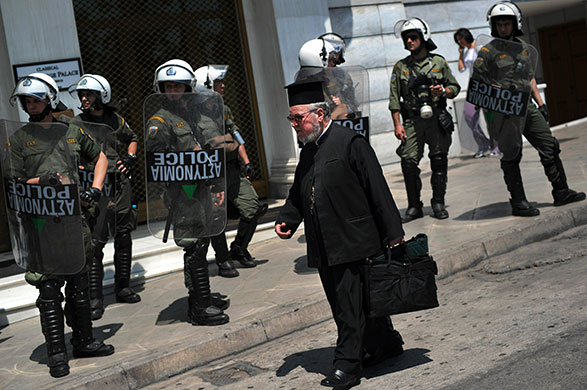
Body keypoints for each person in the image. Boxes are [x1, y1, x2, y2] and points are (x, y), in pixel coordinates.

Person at [275, 77, 405, 388]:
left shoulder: (350, 143)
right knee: (358, 303)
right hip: (324, 244)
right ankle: (386, 344)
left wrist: (394, 235)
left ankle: (348, 366)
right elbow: (300, 191)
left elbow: (378, 190)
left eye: (298, 117)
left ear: (319, 114)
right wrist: (288, 218)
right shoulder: (308, 150)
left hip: (355, 241)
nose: (294, 124)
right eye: (290, 118)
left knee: (347, 307)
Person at [4, 73, 114, 377]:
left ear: (50, 99)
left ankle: (84, 341)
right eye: (27, 100)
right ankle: (56, 353)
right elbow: (13, 182)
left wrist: (96, 188)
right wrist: (44, 181)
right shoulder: (19, 139)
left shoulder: (72, 131)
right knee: (49, 290)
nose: (31, 104)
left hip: (74, 220)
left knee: (80, 285)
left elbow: (101, 157)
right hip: (42, 225)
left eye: (36, 99)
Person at [476, 1, 584, 216]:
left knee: (549, 145)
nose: (503, 28)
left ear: (515, 24)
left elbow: (530, 78)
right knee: (512, 154)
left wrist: (541, 104)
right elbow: (478, 84)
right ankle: (518, 202)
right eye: (499, 25)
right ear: (493, 26)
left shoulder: (524, 49)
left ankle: (561, 191)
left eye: (507, 24)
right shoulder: (488, 52)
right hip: (505, 111)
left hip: (527, 106)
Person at [145, 59, 230, 325]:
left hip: (202, 189)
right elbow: (154, 160)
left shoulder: (195, 116)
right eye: (168, 86)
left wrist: (217, 183)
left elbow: (212, 151)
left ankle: (200, 298)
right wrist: (184, 156)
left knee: (202, 242)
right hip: (182, 193)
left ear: (187, 87)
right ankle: (199, 308)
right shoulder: (160, 121)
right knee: (193, 245)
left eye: (177, 86)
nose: (173, 91)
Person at [68, 74, 141, 320]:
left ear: (103, 96)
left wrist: (130, 158)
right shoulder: (76, 123)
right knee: (95, 243)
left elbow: (132, 138)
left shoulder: (115, 120)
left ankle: (123, 286)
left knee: (123, 235)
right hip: (94, 186)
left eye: (88, 94)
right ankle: (95, 298)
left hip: (119, 185)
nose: (84, 98)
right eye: (81, 95)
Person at [194, 65, 267, 277]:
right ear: (207, 86)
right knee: (215, 217)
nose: (223, 86)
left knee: (252, 208)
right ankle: (223, 259)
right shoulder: (192, 114)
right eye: (218, 82)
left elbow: (236, 134)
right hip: (211, 172)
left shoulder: (223, 108)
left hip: (233, 168)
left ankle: (239, 248)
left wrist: (247, 163)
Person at [389, 17, 461, 222]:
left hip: (436, 117)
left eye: (413, 37)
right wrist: (397, 124)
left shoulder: (439, 62)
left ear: (423, 37)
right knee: (408, 162)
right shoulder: (400, 67)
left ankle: (438, 202)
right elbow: (394, 97)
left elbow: (454, 87)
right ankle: (414, 206)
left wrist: (443, 91)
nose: (409, 41)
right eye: (406, 38)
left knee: (439, 160)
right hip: (412, 121)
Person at [454, 28, 500, 158]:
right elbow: (461, 69)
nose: (459, 41)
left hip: (486, 86)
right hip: (474, 87)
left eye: (460, 38)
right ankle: (483, 144)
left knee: (490, 118)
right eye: (457, 40)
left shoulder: (479, 48)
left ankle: (495, 146)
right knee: (469, 116)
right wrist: (461, 53)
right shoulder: (467, 51)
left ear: (466, 36)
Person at [297, 35, 358, 120]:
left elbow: (353, 103)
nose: (334, 61)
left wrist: (345, 106)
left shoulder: (342, 76)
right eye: (331, 58)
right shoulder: (309, 83)